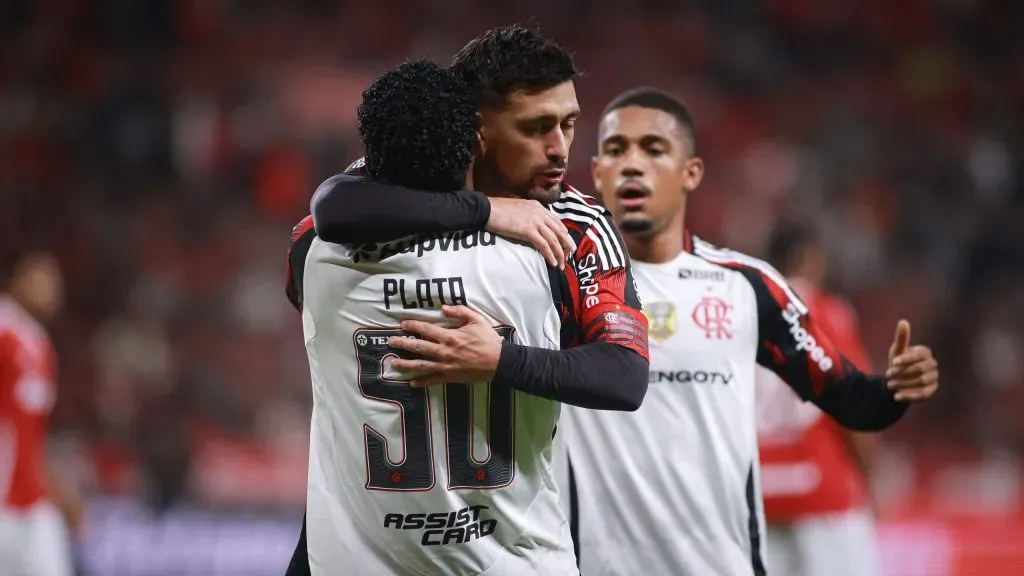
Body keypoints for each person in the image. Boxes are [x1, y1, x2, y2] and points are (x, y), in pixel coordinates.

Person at [318, 85, 942, 575]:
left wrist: (895, 391)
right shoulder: (554, 267)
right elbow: (343, 211)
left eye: (654, 149)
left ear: (691, 171)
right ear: (594, 169)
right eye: (616, 150)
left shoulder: (746, 287)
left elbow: (852, 401)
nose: (633, 165)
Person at [284, 58, 646, 576]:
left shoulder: (317, 248)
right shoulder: (556, 244)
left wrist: (498, 357)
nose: (560, 148)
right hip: (514, 558)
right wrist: (487, 213)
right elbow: (624, 376)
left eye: (568, 124)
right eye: (535, 127)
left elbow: (330, 207)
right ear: (477, 133)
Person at [756, 222, 882, 576]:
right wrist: (872, 473)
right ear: (811, 260)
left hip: (763, 491)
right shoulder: (824, 313)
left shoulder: (745, 315)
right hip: (822, 487)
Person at [0, 252, 80, 576]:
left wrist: (55, 488)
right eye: (41, 279)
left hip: (32, 503)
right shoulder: (3, 331)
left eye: (54, 283)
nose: (50, 290)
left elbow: (32, 435)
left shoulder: (40, 344)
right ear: (16, 280)